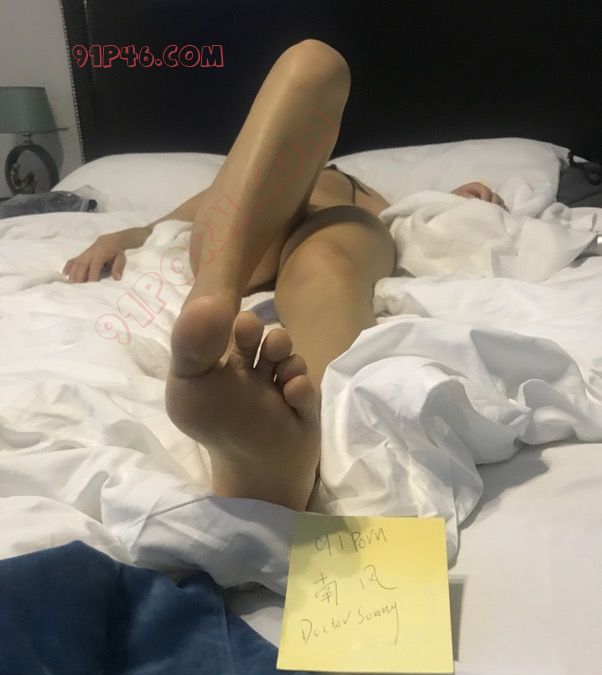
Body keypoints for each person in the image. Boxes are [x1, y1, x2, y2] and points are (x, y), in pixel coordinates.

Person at [62, 39, 507, 512]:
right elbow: (182, 216)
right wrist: (125, 235)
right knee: (315, 64)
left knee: (327, 263)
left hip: (307, 230)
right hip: (250, 234)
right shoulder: (253, 177)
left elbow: (410, 214)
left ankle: (280, 444)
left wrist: (450, 199)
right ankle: (222, 308)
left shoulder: (368, 190)